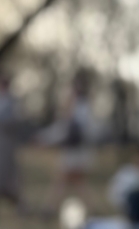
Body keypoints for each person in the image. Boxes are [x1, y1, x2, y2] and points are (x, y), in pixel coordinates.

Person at [39, 74, 97, 214]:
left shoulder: (78, 109)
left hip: (74, 151)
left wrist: (45, 139)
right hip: (76, 151)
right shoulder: (83, 108)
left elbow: (64, 130)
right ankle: (91, 208)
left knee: (64, 180)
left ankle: (50, 208)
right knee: (75, 182)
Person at [0, 73, 24, 216]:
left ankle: (21, 207)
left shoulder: (11, 102)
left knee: (8, 181)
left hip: (5, 146)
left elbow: (13, 122)